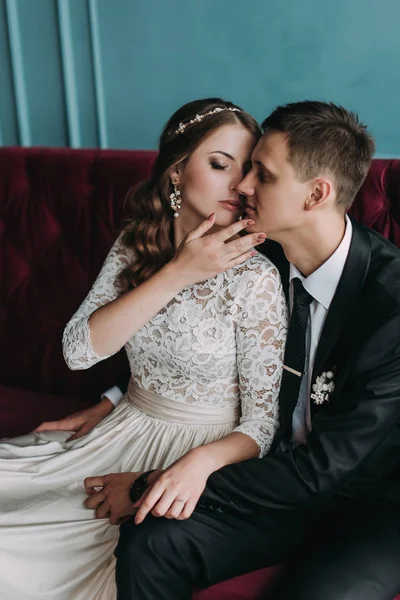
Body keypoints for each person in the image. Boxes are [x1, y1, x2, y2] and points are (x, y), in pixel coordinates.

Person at [105, 101, 400, 600]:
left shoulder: (390, 308)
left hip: (371, 506)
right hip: (275, 480)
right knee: (151, 544)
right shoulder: (250, 250)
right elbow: (179, 330)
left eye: (263, 174)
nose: (242, 187)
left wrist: (154, 481)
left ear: (317, 194)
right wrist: (112, 397)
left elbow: (322, 471)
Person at [0, 98, 288, 600]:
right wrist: (179, 272)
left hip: (195, 455)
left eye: (248, 172)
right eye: (219, 165)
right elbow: (78, 351)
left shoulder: (256, 277)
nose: (239, 187)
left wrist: (187, 470)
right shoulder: (138, 243)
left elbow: (263, 424)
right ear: (177, 170)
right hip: (121, 427)